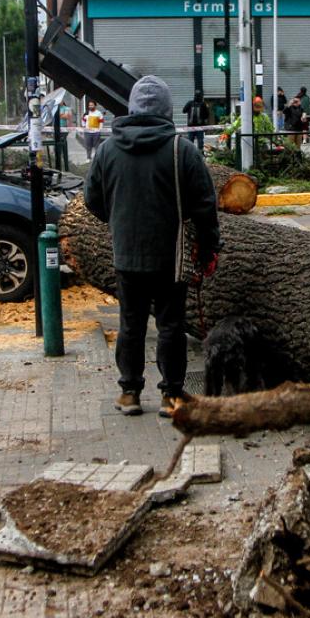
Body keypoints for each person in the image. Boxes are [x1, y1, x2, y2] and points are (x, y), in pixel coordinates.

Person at [85, 75, 221, 418]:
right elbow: (205, 206)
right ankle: (171, 396)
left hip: (126, 256)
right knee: (170, 326)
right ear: (167, 110)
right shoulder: (182, 151)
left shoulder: (107, 151)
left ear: (131, 107)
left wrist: (118, 221)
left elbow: (92, 201)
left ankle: (129, 393)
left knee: (131, 324)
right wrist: (208, 249)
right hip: (170, 257)